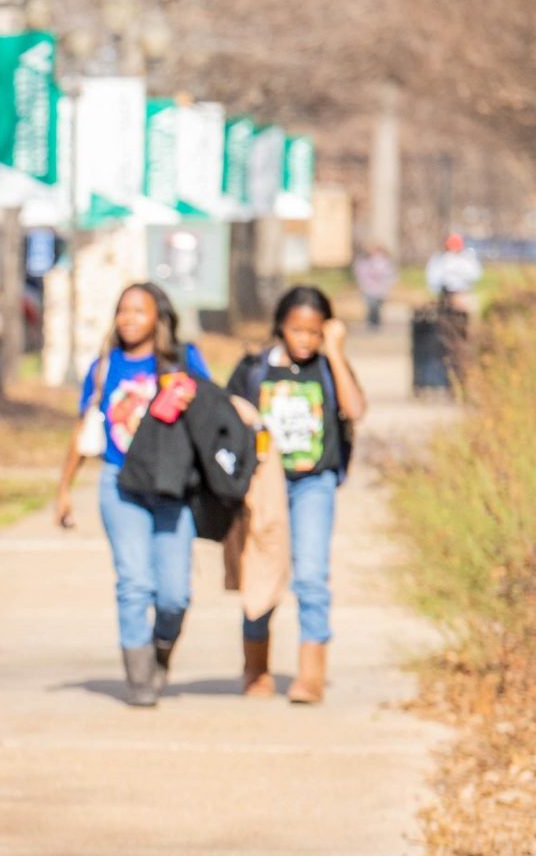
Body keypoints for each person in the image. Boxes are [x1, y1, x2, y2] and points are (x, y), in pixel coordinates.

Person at [51, 283, 214, 707]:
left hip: (171, 486)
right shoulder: (105, 367)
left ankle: (161, 649)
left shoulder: (182, 361)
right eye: (122, 310)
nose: (128, 319)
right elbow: (83, 428)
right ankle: (140, 677)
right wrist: (64, 489)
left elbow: (211, 416)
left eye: (138, 311)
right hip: (120, 482)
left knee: (175, 593)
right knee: (133, 582)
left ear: (158, 317)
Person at [228, 285, 367, 704]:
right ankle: (256, 669)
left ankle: (310, 675)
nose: (305, 340)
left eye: (314, 332)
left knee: (310, 576)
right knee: (262, 574)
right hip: (263, 485)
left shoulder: (327, 368)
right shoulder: (255, 368)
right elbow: (227, 415)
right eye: (297, 330)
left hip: (314, 483)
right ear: (280, 327)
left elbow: (356, 410)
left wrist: (337, 352)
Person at [425, 233, 482, 307]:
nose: (454, 248)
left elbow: (475, 274)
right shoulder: (440, 258)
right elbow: (433, 279)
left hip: (464, 294)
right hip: (445, 295)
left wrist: (457, 271)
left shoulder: (467, 258)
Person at [354, 244, 398, 331]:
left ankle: (376, 322)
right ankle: (371, 322)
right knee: (371, 306)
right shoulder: (364, 261)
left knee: (377, 306)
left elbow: (389, 273)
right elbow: (360, 273)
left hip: (380, 289)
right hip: (368, 288)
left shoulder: (384, 261)